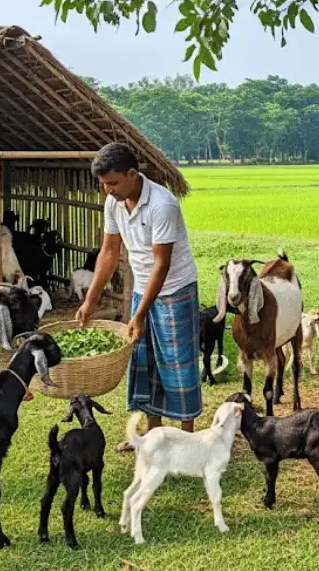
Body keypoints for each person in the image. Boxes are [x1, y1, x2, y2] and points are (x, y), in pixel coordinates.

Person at [76, 143, 202, 451]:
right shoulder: (114, 203)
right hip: (142, 288)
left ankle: (186, 441)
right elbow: (109, 251)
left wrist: (140, 314)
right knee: (145, 361)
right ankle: (151, 437)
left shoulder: (162, 204)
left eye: (113, 183)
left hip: (174, 290)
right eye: (103, 184)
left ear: (133, 174)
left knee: (178, 364)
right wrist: (91, 299)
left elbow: (162, 264)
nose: (108, 190)